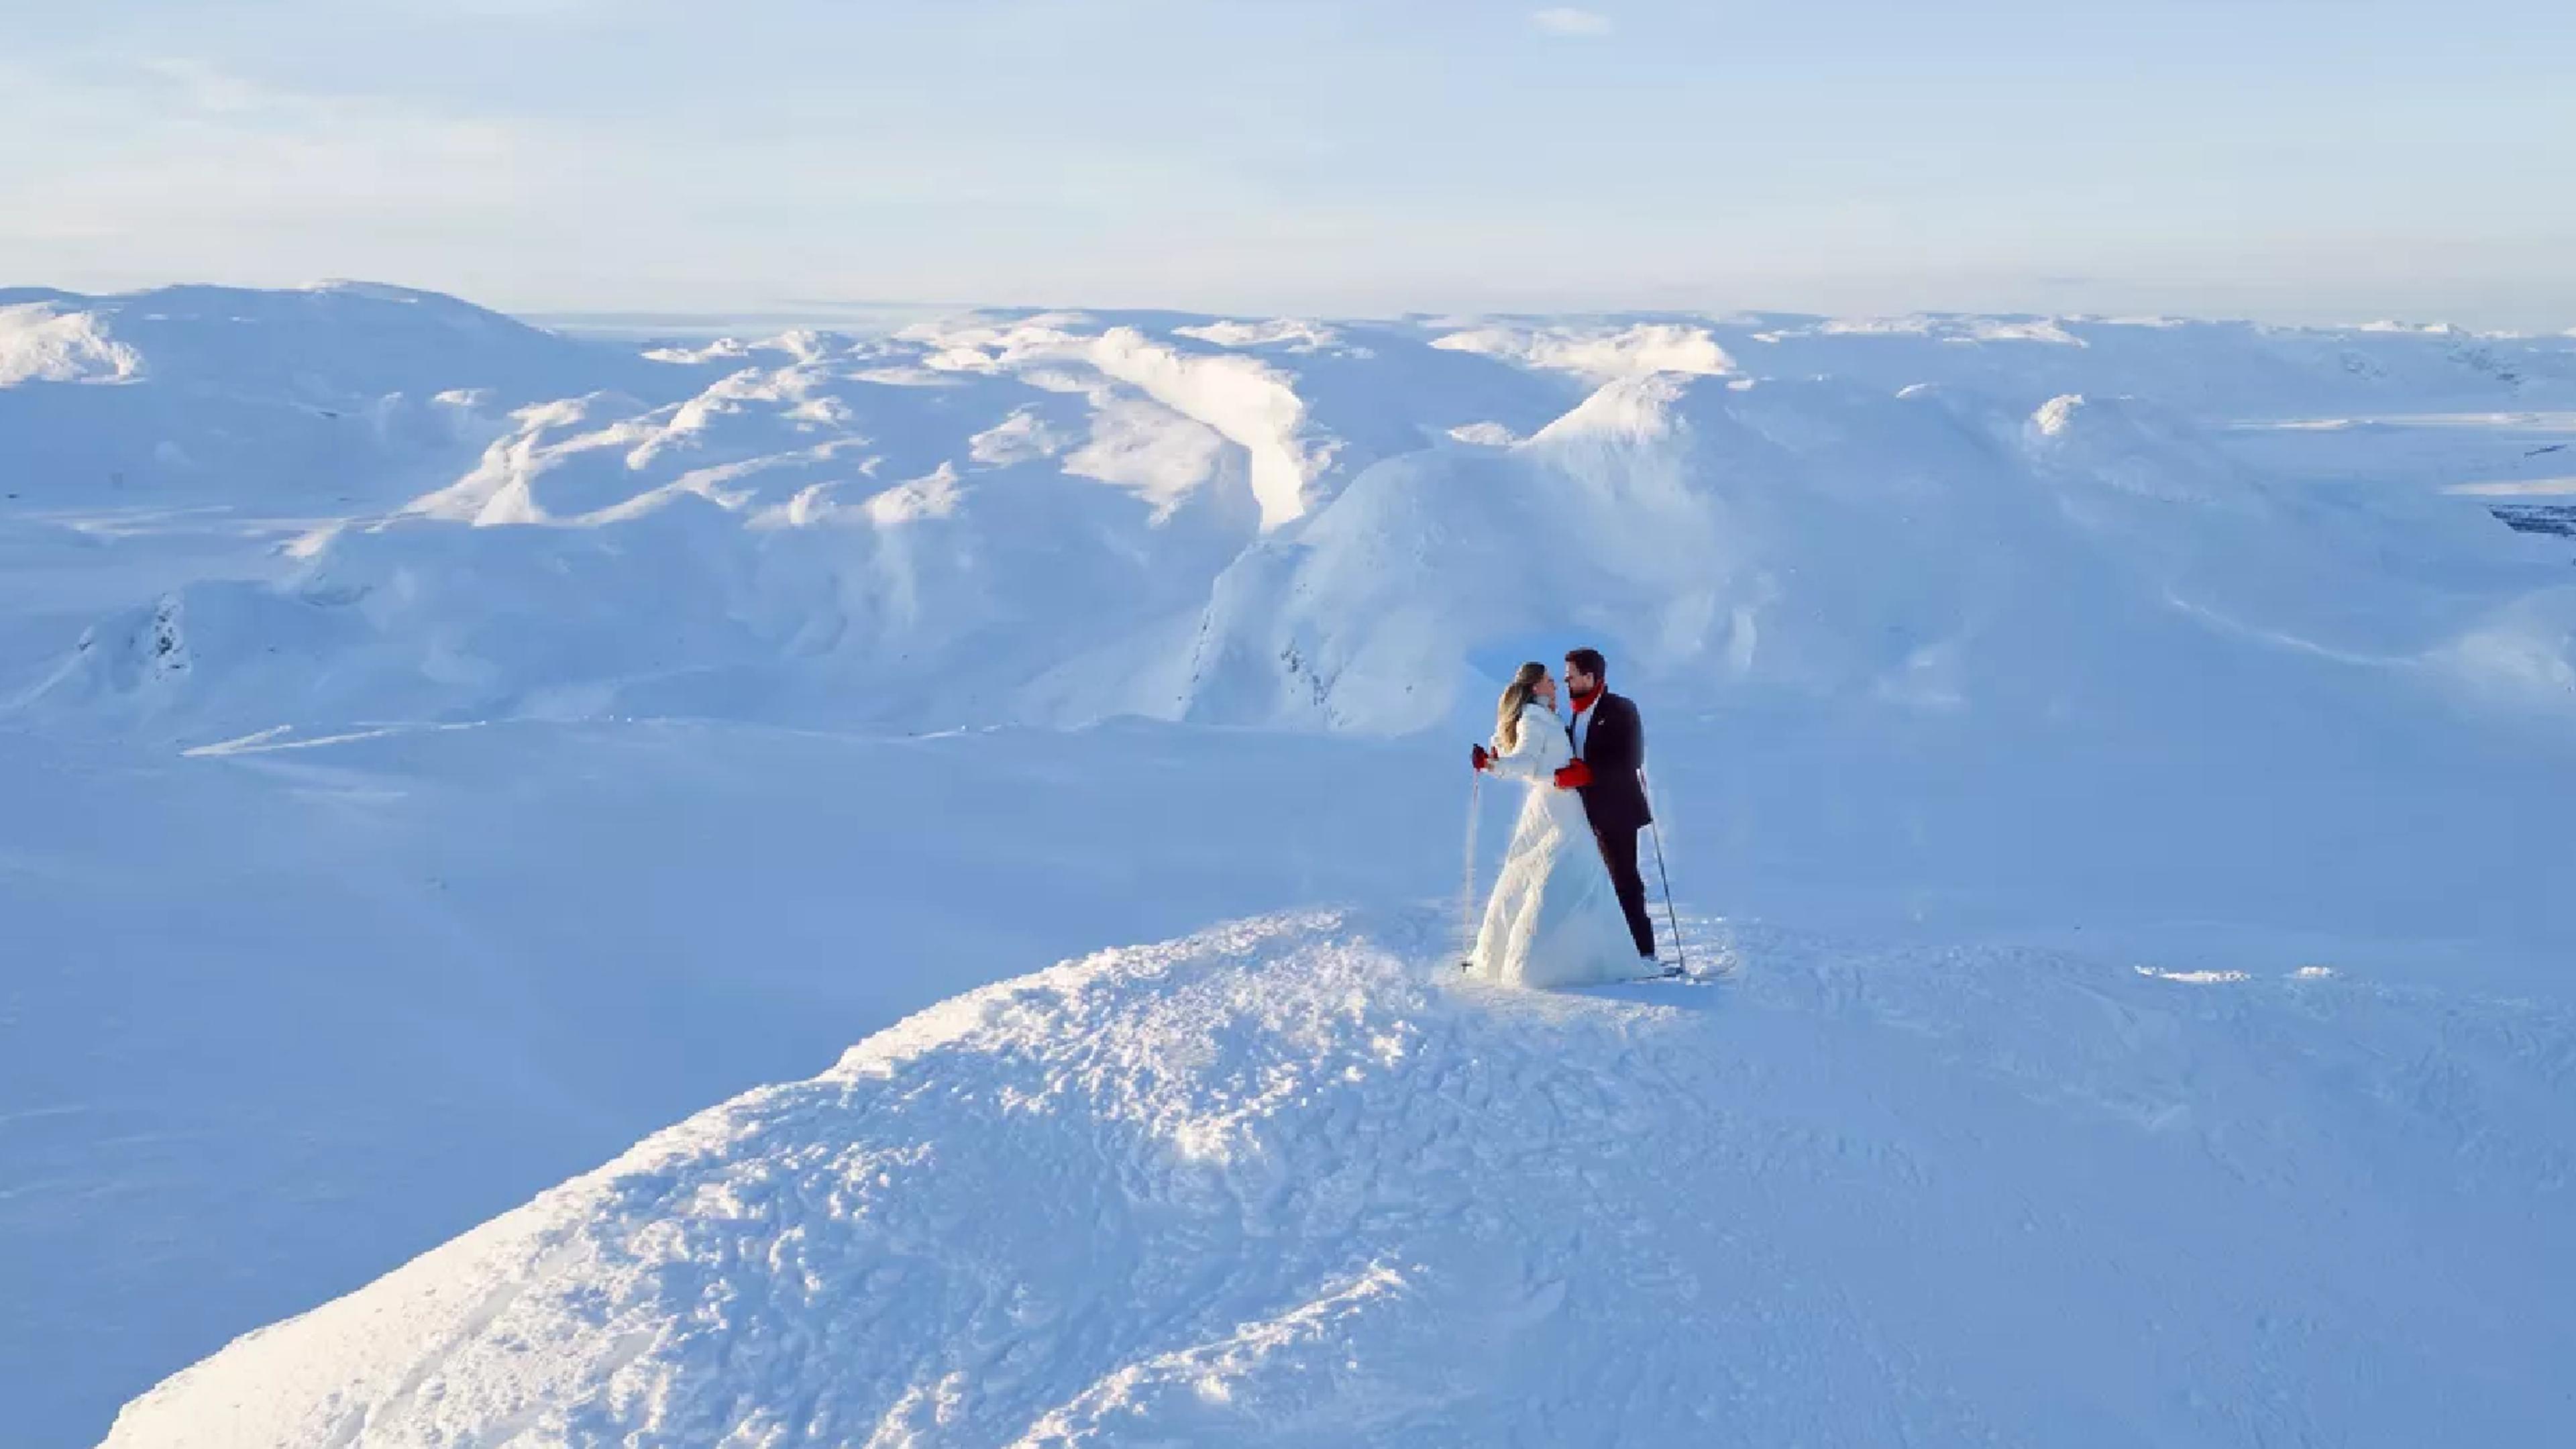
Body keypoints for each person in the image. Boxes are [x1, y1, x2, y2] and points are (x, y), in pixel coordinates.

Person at [1466, 661, 1642, 987]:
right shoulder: (1534, 719)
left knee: (1549, 870)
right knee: (1564, 873)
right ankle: (1555, 961)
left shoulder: (1545, 718)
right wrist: (1494, 765)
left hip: (1559, 804)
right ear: (1535, 688)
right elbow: (1527, 763)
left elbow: (1534, 758)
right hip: (1557, 805)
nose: (1556, 685)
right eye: (1549, 681)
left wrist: (1572, 767)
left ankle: (1577, 954)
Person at [1560, 647, 1658, 963]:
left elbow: (1631, 758)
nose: (1567, 683)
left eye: (1571, 677)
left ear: (1590, 677)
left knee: (1624, 880)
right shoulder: (1576, 714)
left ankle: (1643, 952)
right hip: (1584, 812)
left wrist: (1588, 773)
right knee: (1592, 882)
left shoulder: (1621, 709)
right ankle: (1608, 950)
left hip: (1617, 810)